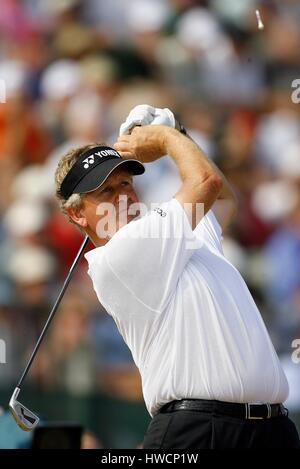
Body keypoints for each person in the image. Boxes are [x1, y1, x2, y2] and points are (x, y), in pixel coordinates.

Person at [54, 105, 300, 449]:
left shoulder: (169, 233)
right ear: (77, 213)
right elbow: (206, 182)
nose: (123, 195)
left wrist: (178, 135)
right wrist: (166, 138)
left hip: (270, 430)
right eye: (105, 191)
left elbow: (223, 201)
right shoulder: (119, 253)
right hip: (198, 431)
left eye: (126, 183)